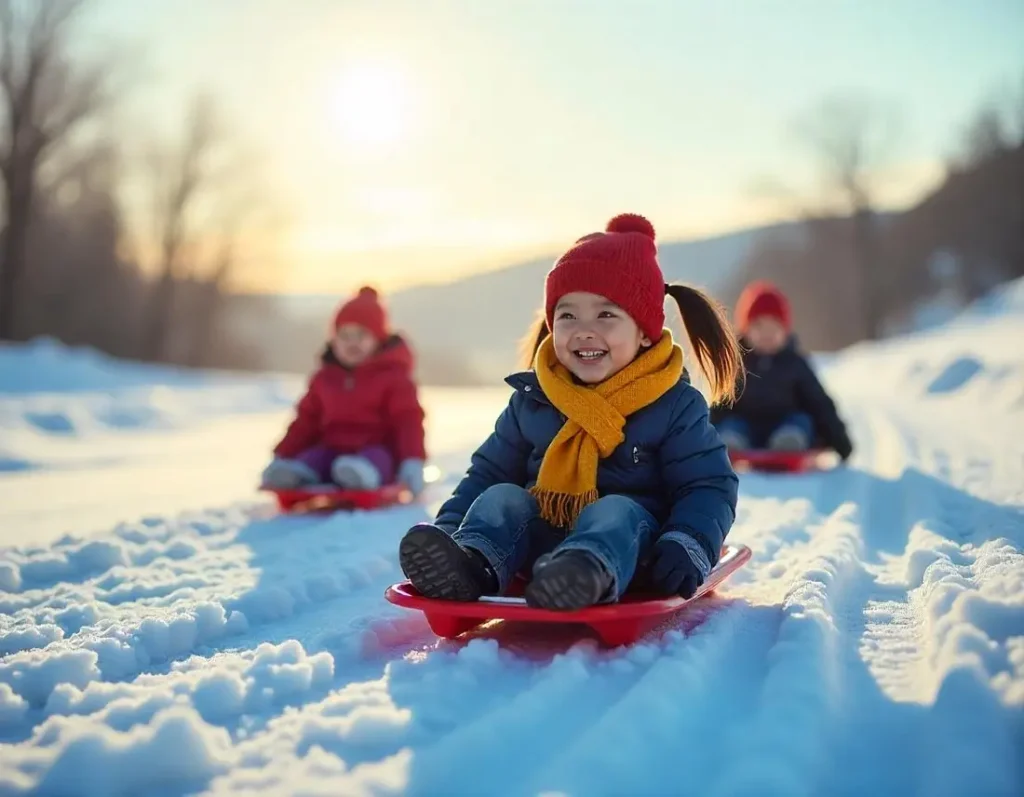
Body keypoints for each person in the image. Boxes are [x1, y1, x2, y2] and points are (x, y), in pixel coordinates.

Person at [396, 213, 744, 612]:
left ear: (645, 331)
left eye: (606, 315)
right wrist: (447, 534)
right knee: (502, 497)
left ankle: (583, 574)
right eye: (568, 315)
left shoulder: (673, 404)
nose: (584, 329)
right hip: (538, 550)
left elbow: (707, 484)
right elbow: (486, 473)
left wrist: (688, 542)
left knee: (615, 510)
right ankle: (470, 566)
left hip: (634, 553)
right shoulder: (535, 398)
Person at [260, 286, 428, 496]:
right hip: (332, 449)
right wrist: (284, 454)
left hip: (377, 449)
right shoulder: (324, 379)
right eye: (345, 335)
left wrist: (412, 460)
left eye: (361, 335)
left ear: (378, 339)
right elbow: (306, 420)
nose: (352, 343)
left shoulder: (394, 378)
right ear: (334, 340)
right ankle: (294, 475)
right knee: (315, 457)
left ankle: (360, 476)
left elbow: (408, 421)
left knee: (376, 459)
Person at [710, 280, 853, 460]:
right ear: (746, 330)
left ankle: (789, 442)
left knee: (802, 421)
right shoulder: (738, 364)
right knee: (731, 424)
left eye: (774, 327)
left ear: (785, 330)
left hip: (784, 424)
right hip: (747, 427)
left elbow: (818, 402)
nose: (766, 334)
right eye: (759, 326)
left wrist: (839, 440)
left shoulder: (794, 363)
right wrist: (702, 440)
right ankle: (732, 443)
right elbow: (720, 403)